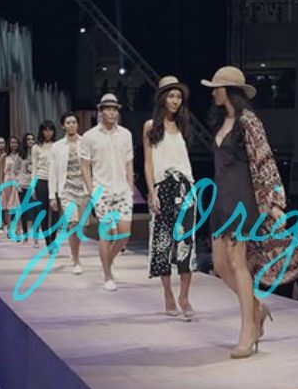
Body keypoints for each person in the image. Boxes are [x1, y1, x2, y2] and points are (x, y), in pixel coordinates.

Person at [201, 66, 298, 359]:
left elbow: (264, 160)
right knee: (220, 265)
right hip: (221, 198)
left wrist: (275, 202)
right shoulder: (221, 121)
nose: (213, 92)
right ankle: (257, 308)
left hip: (241, 199)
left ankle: (247, 331)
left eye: (216, 87)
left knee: (238, 264)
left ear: (229, 90)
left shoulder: (248, 120)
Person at [143, 76, 197, 319]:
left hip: (186, 187)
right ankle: (168, 294)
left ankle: (184, 296)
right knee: (163, 243)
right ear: (162, 98)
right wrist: (151, 191)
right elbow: (148, 162)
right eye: (171, 96)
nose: (175, 101)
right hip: (162, 186)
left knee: (186, 242)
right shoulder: (150, 126)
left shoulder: (184, 125)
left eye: (179, 97)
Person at [80, 93, 134, 291]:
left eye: (114, 109)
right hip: (101, 190)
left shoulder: (126, 134)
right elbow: (85, 166)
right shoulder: (89, 137)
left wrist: (130, 188)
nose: (112, 113)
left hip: (122, 190)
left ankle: (107, 262)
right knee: (107, 233)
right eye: (108, 109)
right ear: (100, 112)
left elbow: (129, 163)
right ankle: (107, 275)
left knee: (124, 234)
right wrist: (92, 191)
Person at [49, 112, 88, 274]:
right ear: (63, 126)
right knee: (73, 223)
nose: (71, 125)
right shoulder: (57, 147)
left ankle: (75, 250)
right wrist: (52, 196)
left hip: (84, 189)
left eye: (74, 122)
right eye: (68, 122)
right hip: (66, 190)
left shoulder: (85, 143)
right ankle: (76, 259)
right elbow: (53, 172)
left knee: (82, 226)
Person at [32, 122, 57, 246]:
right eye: (45, 130)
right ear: (41, 131)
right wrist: (33, 187)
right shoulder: (36, 147)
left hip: (55, 181)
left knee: (56, 211)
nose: (48, 133)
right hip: (41, 180)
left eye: (50, 130)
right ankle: (48, 241)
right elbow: (34, 167)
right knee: (44, 211)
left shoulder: (57, 146)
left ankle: (53, 236)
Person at [14, 133, 37, 245]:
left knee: (35, 210)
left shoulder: (37, 153)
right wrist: (17, 183)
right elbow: (14, 170)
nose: (30, 141)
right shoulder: (20, 155)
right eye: (28, 139)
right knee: (24, 211)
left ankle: (35, 236)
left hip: (34, 185)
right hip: (23, 185)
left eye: (32, 139)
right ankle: (25, 235)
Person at [0, 137, 22, 234]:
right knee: (6, 204)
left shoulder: (21, 155)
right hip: (7, 181)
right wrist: (1, 185)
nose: (14, 144)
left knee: (17, 204)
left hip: (17, 180)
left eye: (16, 143)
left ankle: (18, 227)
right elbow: (1, 172)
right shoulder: (4, 156)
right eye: (12, 142)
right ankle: (9, 226)